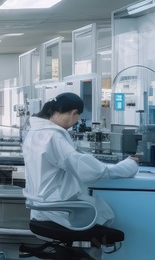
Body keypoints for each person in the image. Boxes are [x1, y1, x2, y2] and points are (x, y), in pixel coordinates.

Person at [23, 92, 138, 229]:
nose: (76, 122)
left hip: (41, 207)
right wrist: (129, 165)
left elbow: (75, 160)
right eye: (78, 117)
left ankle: (89, 247)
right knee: (110, 218)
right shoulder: (54, 136)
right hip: (58, 210)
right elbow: (92, 171)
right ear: (74, 113)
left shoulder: (35, 132)